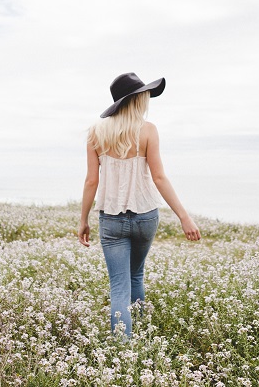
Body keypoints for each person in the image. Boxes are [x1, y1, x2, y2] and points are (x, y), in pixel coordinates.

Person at [78, 72, 201, 337]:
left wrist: (83, 220)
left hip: (111, 219)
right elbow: (159, 177)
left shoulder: (95, 133)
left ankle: (123, 350)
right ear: (136, 100)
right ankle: (141, 331)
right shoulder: (148, 130)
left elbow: (91, 181)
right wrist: (184, 217)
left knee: (119, 286)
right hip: (145, 216)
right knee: (136, 276)